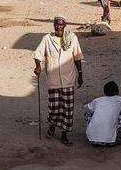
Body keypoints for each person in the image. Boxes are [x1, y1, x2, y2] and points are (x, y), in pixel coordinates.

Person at [34, 16, 84, 146]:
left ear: (65, 25)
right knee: (55, 108)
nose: (58, 27)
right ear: (53, 25)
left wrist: (80, 73)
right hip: (53, 80)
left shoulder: (72, 38)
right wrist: (38, 66)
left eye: (61, 24)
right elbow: (38, 54)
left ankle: (64, 134)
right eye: (56, 24)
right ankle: (52, 125)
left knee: (68, 109)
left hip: (68, 79)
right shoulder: (47, 38)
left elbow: (77, 56)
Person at [84, 81, 121, 147]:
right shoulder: (120, 100)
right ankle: (114, 137)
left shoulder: (98, 100)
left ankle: (97, 136)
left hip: (92, 139)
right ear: (116, 91)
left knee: (88, 113)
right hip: (110, 139)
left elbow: (86, 108)